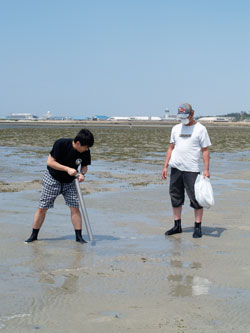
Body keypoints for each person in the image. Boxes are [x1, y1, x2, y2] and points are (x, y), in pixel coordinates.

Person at [25, 128, 94, 244]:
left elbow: (84, 167)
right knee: (43, 207)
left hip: (71, 182)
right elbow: (50, 162)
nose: (87, 149)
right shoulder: (61, 144)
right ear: (78, 143)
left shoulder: (86, 151)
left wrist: (82, 174)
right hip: (52, 179)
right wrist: (67, 169)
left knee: (75, 208)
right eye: (85, 147)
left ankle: (79, 237)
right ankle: (34, 235)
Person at [161, 103, 211, 238]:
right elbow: (171, 148)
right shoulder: (176, 128)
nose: (183, 119)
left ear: (192, 114)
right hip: (176, 167)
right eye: (180, 117)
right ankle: (177, 226)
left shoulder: (200, 129)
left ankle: (197, 227)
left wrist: (206, 169)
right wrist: (165, 165)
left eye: (185, 116)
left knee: (196, 199)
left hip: (192, 169)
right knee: (175, 197)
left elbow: (205, 150)